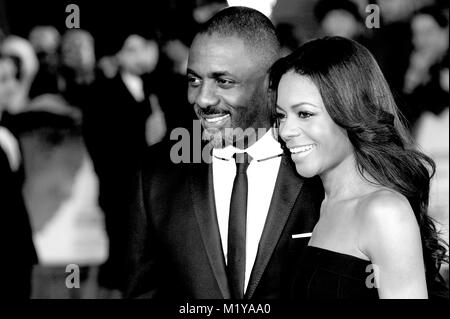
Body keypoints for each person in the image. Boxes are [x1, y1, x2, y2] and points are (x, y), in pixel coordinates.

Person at [126, 6, 323, 299]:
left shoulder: (319, 168)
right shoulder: (157, 173)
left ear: (272, 82)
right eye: (194, 80)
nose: (202, 99)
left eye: (224, 81)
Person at [270, 36, 449, 299]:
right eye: (281, 116)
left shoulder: (384, 212)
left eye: (305, 114)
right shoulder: (312, 203)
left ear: (350, 112)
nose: (285, 131)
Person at [0, 54, 38, 298]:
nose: (13, 86)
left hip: (17, 252)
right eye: (3, 79)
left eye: (14, 77)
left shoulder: (9, 133)